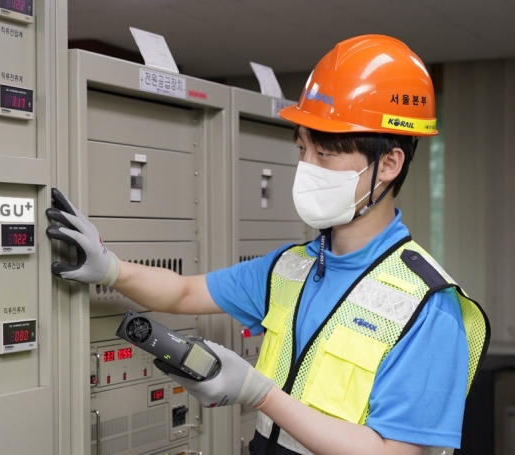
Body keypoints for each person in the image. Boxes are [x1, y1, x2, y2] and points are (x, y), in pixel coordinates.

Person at [46, 35, 490, 455]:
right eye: (302, 150)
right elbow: (185, 292)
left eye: (326, 154)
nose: (307, 168)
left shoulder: (428, 306)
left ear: (389, 163)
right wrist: (110, 269)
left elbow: (392, 452)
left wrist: (259, 393)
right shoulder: (291, 267)